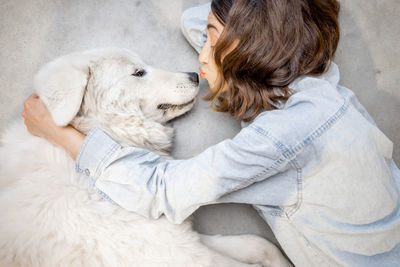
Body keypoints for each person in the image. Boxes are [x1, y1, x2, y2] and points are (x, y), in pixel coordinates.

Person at [21, 0, 400, 266]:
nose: (201, 55)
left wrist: (60, 133)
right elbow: (194, 19)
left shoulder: (280, 138)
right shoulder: (311, 78)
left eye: (213, 39)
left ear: (254, 49)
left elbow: (162, 190)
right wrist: (239, 29)